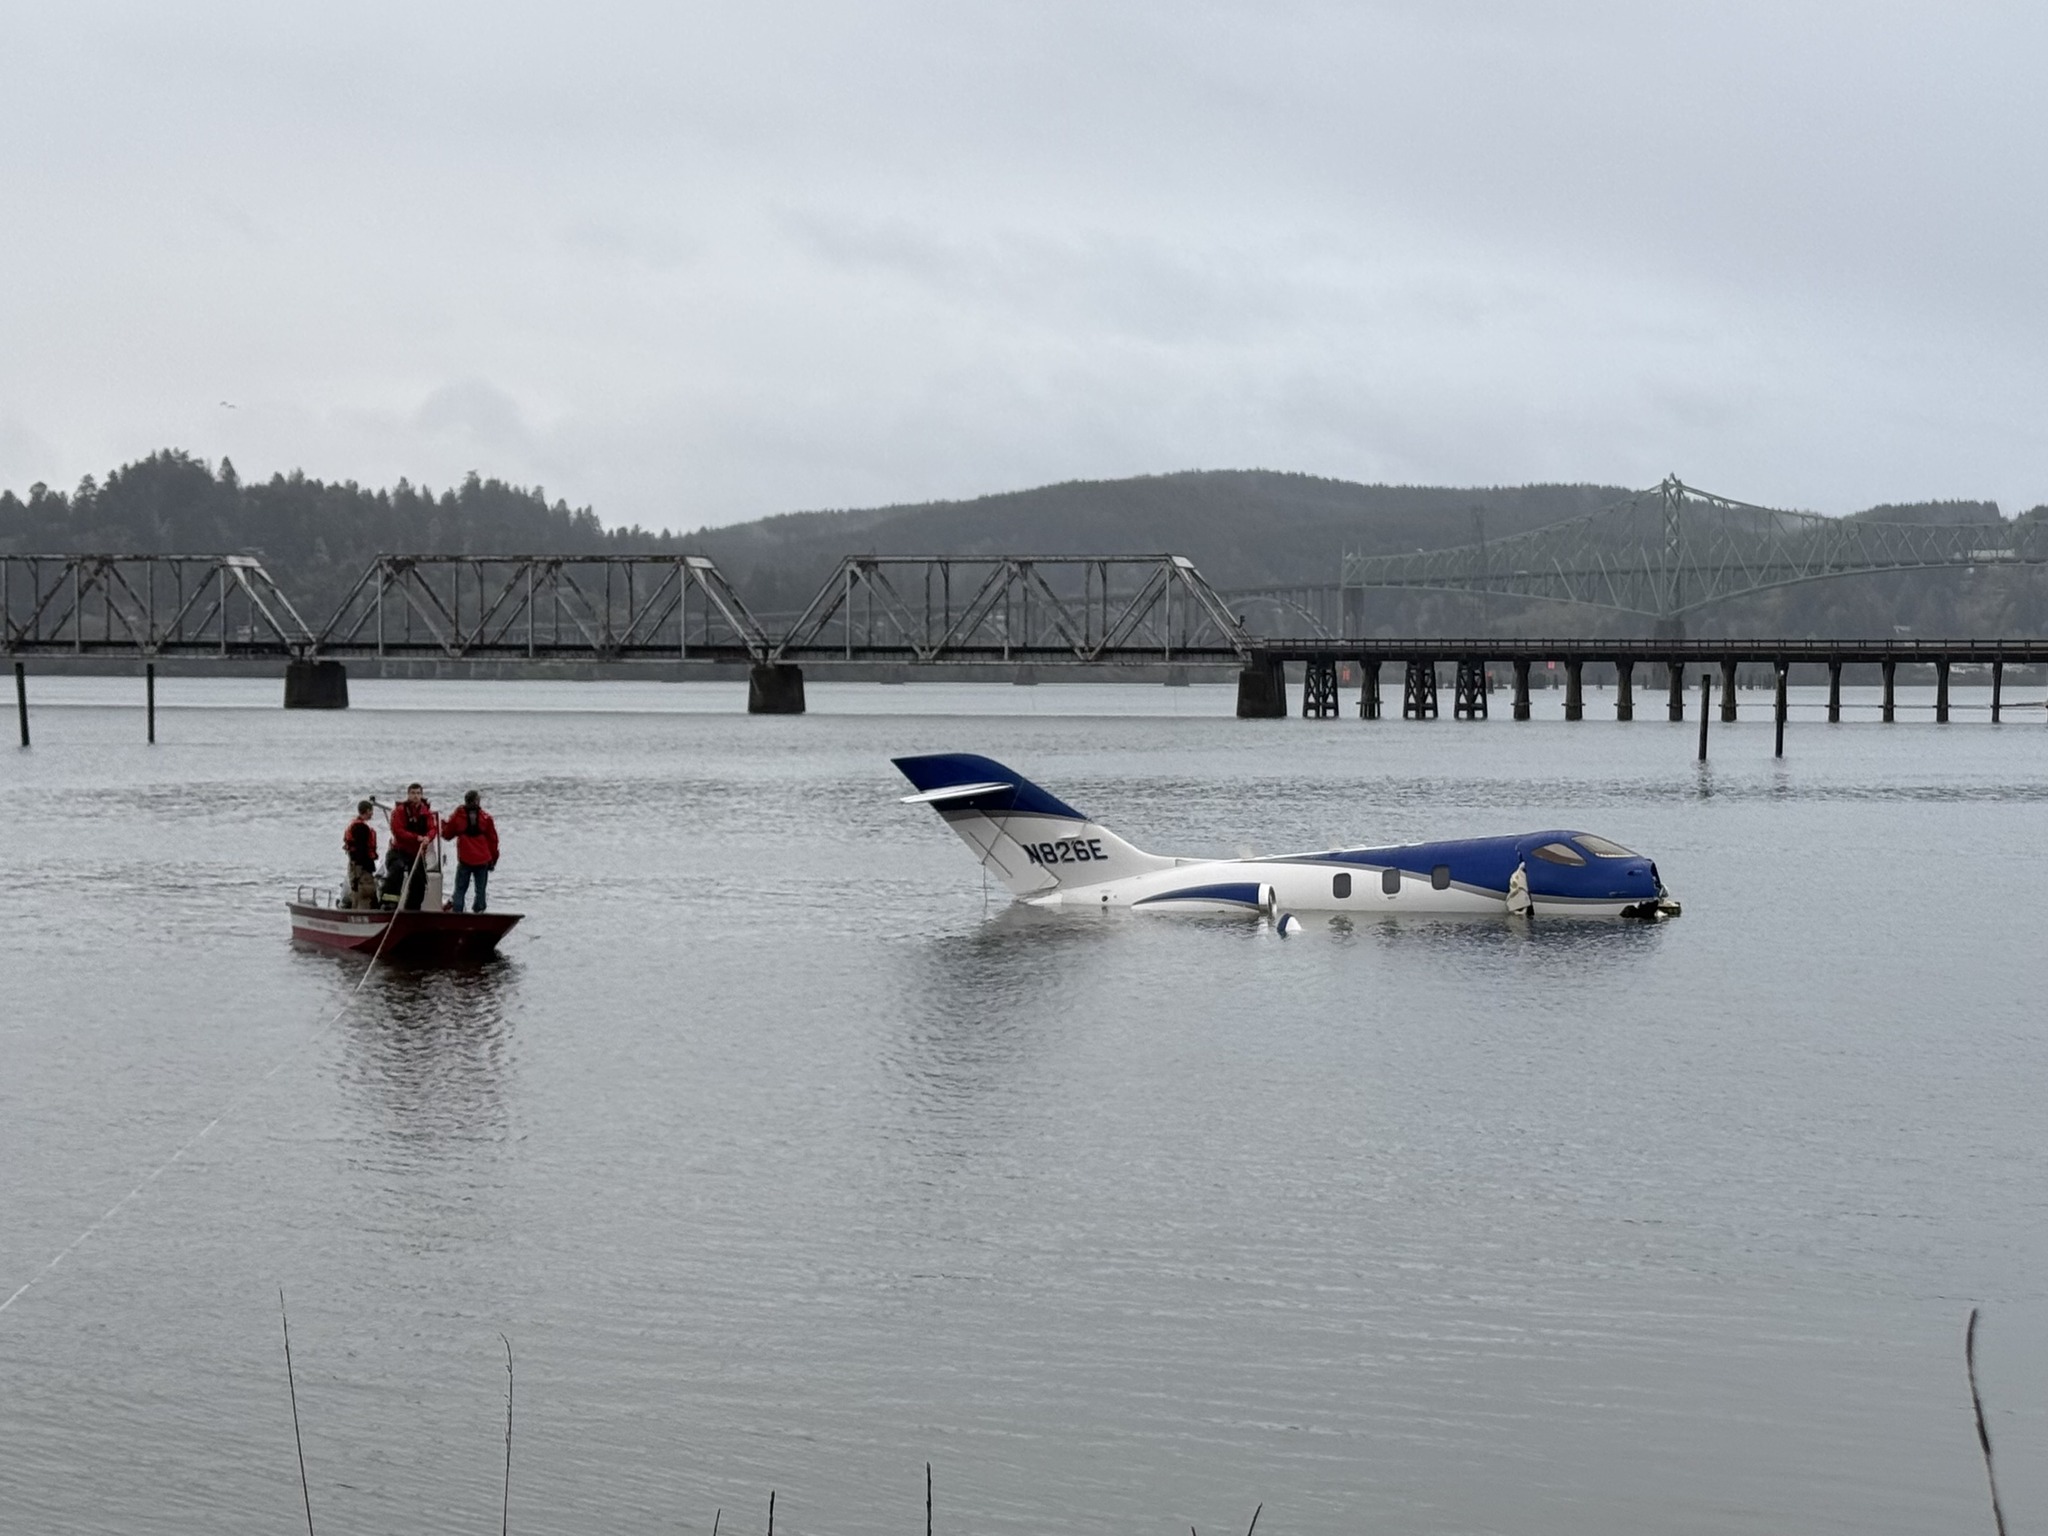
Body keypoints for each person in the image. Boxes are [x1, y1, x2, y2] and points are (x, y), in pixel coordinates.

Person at [442, 789, 500, 913]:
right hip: (483, 859)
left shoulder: (458, 816)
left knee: (460, 889)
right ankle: (479, 910)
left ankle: (457, 911)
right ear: (477, 801)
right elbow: (493, 840)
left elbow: (447, 834)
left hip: (465, 859)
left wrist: (441, 824)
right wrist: (493, 859)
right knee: (480, 890)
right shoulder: (486, 818)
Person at [384, 783, 436, 910]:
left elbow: (433, 828)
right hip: (399, 850)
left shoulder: (426, 813)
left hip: (417, 852)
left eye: (418, 793)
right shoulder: (400, 811)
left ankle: (413, 907)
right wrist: (416, 837)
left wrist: (428, 837)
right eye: (413, 793)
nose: (416, 796)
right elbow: (398, 831)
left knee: (419, 879)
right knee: (397, 869)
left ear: (421, 795)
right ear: (408, 795)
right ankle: (389, 903)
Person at [342, 800, 379, 909]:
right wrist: (368, 865)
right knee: (365, 889)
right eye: (371, 811)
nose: (372, 814)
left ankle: (355, 908)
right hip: (361, 866)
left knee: (356, 889)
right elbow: (361, 849)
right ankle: (363, 910)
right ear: (367, 811)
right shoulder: (361, 828)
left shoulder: (355, 824)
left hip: (355, 864)